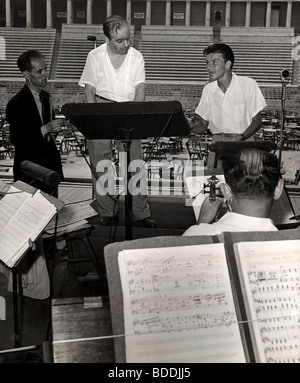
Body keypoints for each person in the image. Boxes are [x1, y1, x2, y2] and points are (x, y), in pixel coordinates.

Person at [79, 15, 156, 228]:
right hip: (102, 109)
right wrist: (95, 119)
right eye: (119, 40)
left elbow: (140, 89)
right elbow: (89, 90)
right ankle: (107, 211)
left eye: (127, 39)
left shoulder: (136, 57)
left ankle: (140, 212)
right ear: (107, 38)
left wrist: (136, 113)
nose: (125, 44)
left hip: (128, 109)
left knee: (134, 163)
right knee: (101, 164)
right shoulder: (94, 56)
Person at [190, 43, 267, 168]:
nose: (209, 67)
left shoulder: (248, 85)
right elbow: (203, 127)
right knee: (215, 183)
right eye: (207, 63)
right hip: (218, 144)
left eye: (214, 62)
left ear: (228, 64)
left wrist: (241, 138)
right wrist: (188, 125)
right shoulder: (208, 90)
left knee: (244, 184)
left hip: (244, 143)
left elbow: (257, 121)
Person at [183, 148, 283, 236]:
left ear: (226, 191)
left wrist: (201, 224)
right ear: (278, 188)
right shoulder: (293, 245)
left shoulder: (195, 234)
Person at [6, 50, 63, 196]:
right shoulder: (15, 104)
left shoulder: (46, 97)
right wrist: (45, 129)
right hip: (29, 171)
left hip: (50, 168)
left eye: (45, 70)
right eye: (39, 71)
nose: (45, 74)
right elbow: (17, 140)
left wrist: (53, 130)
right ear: (26, 75)